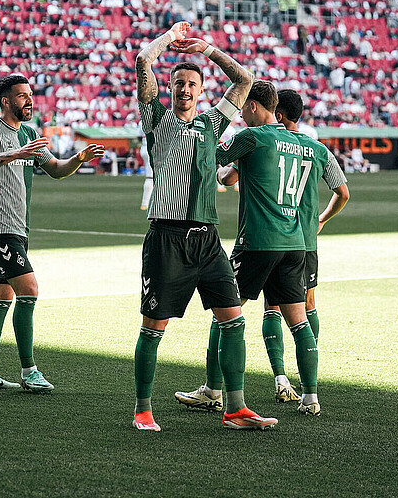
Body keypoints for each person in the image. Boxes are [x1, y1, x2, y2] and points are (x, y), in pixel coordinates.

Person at [131, 22, 276, 432]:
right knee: (153, 327)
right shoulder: (156, 119)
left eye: (192, 84)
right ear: (169, 87)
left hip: (208, 240)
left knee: (233, 319)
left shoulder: (212, 124)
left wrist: (207, 49)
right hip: (167, 238)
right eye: (178, 83)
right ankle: (143, 410)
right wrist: (170, 36)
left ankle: (236, 408)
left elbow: (245, 79)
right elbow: (143, 60)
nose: (184, 89)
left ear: (201, 90)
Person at [174, 81, 318, 416]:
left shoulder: (252, 136)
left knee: (224, 313)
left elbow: (212, 156)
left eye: (242, 108)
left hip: (257, 241)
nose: (240, 115)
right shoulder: (301, 144)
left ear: (253, 106)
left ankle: (212, 389)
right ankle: (311, 398)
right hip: (294, 243)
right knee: (299, 322)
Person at [0, 73, 105, 394]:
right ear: (6, 101)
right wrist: (16, 154)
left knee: (1, 296)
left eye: (30, 94)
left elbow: (55, 169)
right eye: (22, 96)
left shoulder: (30, 133)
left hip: (18, 227)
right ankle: (29, 371)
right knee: (29, 290)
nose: (29, 100)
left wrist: (78, 159)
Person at [259, 89, 348, 405]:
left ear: (278, 114)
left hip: (277, 236)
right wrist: (321, 219)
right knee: (308, 305)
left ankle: (280, 378)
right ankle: (307, 378)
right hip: (307, 240)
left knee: (272, 306)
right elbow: (343, 193)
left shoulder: (271, 144)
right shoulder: (318, 149)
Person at [139, 134, 153, 210]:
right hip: (151, 147)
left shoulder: (140, 125)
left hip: (144, 147)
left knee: (150, 176)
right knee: (150, 177)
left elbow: (139, 136)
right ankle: (145, 203)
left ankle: (146, 202)